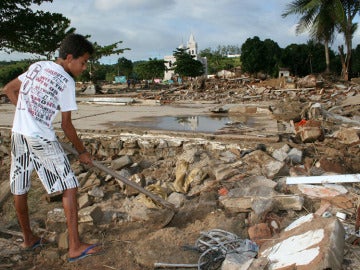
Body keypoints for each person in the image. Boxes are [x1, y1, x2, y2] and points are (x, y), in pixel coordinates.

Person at [3, 33, 103, 262]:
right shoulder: (66, 81)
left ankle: (29, 238)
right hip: (41, 137)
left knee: (20, 185)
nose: (84, 67)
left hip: (19, 133)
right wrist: (83, 152)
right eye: (83, 62)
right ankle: (75, 247)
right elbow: (67, 125)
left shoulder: (38, 66)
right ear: (69, 58)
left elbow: (9, 89)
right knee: (69, 186)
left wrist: (26, 113)